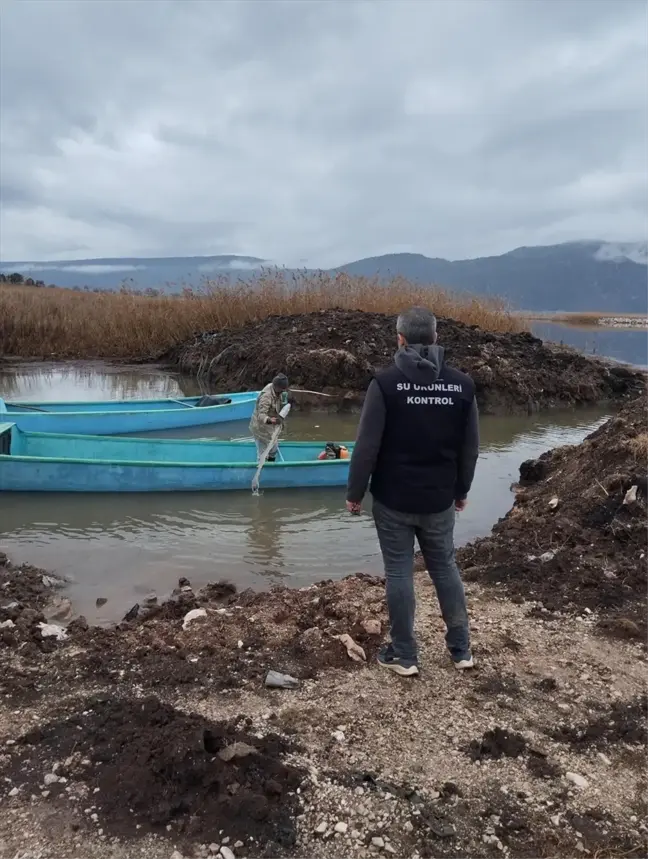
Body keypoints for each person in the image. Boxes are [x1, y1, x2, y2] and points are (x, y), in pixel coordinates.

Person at [346, 307, 479, 677]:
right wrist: (462, 490)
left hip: (393, 499)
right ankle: (461, 650)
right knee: (445, 568)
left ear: (400, 339)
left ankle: (404, 655)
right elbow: (471, 448)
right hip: (439, 499)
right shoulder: (462, 385)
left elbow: (366, 446)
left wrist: (355, 492)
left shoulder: (385, 383)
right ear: (435, 338)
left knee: (400, 573)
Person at [249, 374, 290, 462]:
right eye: (282, 390)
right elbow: (261, 415)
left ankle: (271, 463)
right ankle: (262, 469)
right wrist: (269, 420)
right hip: (260, 428)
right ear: (277, 387)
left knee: (273, 448)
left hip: (269, 428)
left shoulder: (278, 391)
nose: (283, 392)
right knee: (262, 453)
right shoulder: (266, 396)